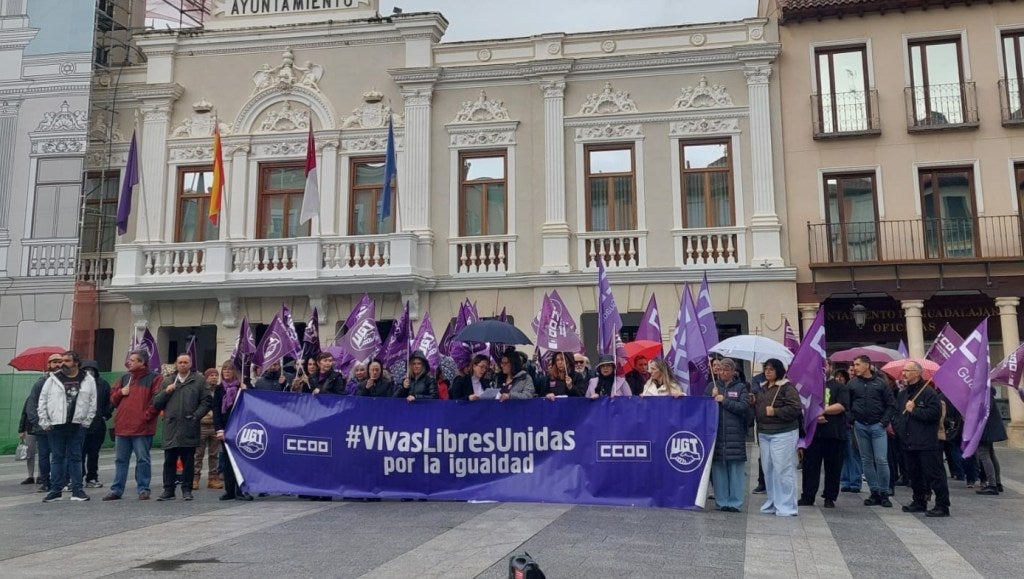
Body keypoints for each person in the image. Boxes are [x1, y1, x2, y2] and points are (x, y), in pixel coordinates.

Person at [37, 351, 98, 502]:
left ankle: (77, 490)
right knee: (57, 458)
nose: (62, 363)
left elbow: (92, 402)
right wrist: (44, 421)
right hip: (56, 424)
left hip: (77, 425)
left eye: (67, 360)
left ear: (76, 362)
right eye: (61, 360)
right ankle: (55, 491)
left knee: (76, 458)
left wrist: (86, 422)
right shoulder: (53, 379)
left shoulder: (87, 379)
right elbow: (43, 400)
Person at [103, 350, 163, 501]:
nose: (129, 362)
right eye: (129, 360)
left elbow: (157, 401)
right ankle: (116, 489)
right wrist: (120, 393)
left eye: (133, 360)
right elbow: (112, 400)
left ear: (142, 363)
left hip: (142, 428)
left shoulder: (155, 378)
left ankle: (143, 489)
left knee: (143, 459)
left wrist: (145, 417)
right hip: (123, 426)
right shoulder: (124, 378)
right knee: (120, 460)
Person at [152, 354, 213, 501]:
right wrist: (166, 391)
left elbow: (206, 401)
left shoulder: (198, 381)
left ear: (190, 364)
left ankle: (187, 489)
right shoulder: (168, 380)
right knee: (169, 461)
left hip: (189, 426)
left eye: (186, 362)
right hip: (171, 427)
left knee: (188, 461)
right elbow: (156, 403)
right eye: (180, 362)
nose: (183, 365)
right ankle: (168, 490)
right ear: (176, 364)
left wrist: (196, 416)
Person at [893, 362, 950, 517]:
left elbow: (934, 415)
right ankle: (919, 500)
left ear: (917, 373)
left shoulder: (929, 393)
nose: (903, 374)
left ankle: (942, 505)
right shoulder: (903, 394)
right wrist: (899, 428)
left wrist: (914, 410)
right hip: (908, 441)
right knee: (914, 474)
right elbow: (898, 414)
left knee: (934, 474)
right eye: (903, 371)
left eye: (907, 371)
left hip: (926, 442)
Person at [753, 358, 801, 517]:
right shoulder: (763, 388)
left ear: (778, 371)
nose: (767, 371)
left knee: (783, 469)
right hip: (764, 433)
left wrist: (777, 412)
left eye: (771, 369)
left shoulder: (787, 387)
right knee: (769, 470)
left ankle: (788, 506)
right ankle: (773, 502)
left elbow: (795, 409)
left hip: (783, 433)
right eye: (766, 368)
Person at [848, 355, 896, 508]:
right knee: (866, 460)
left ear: (867, 365)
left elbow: (891, 404)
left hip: (877, 426)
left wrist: (884, 422)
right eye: (853, 364)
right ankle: (874, 491)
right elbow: (847, 404)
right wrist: (852, 420)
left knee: (881, 459)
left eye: (857, 364)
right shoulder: (852, 384)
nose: (854, 367)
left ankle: (884, 492)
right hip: (860, 425)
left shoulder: (881, 383)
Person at [799, 366, 849, 508]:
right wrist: (814, 414)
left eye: (825, 365)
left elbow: (841, 405)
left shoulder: (839, 386)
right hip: (813, 434)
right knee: (810, 466)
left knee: (833, 467)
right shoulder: (810, 386)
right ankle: (808, 496)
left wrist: (821, 411)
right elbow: (803, 406)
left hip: (834, 433)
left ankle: (829, 497)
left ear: (831, 367)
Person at [705, 358, 750, 512]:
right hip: (716, 434)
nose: (722, 372)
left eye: (725, 369)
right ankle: (721, 501)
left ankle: (735, 502)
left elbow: (743, 407)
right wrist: (711, 398)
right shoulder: (712, 386)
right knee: (718, 470)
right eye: (720, 369)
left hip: (734, 434)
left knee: (735, 469)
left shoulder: (741, 388)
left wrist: (724, 401)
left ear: (733, 371)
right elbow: (703, 408)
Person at [22, 353, 65, 491]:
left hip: (60, 427)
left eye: (60, 362)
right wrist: (39, 423)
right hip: (43, 428)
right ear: (49, 365)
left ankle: (60, 481)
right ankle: (45, 482)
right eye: (54, 362)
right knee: (44, 456)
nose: (58, 364)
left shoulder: (68, 382)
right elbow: (31, 405)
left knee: (60, 455)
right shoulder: (40, 383)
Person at [213, 360, 250, 501]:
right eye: (225, 370)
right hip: (225, 428)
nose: (227, 372)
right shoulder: (219, 389)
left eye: (230, 369)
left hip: (240, 427)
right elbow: (216, 410)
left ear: (235, 372)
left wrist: (245, 390)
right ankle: (229, 490)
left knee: (241, 460)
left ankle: (241, 490)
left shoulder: (241, 387)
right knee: (228, 461)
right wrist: (219, 430)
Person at [80, 360, 112, 489]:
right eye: (86, 370)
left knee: (93, 454)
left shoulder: (103, 384)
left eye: (91, 370)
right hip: (80, 425)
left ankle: (92, 477)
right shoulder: (78, 383)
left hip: (97, 425)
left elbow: (109, 402)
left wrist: (105, 415)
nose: (89, 373)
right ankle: (76, 477)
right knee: (79, 453)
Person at [974, 385, 1007, 496]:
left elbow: (982, 413)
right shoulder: (988, 393)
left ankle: (992, 485)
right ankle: (997, 483)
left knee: (983, 454)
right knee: (991, 454)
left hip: (986, 429)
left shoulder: (984, 394)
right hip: (991, 428)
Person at [194, 368, 223, 490]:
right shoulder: (200, 390)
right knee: (198, 454)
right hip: (201, 425)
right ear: (206, 377)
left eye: (216, 375)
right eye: (211, 375)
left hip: (215, 427)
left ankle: (213, 478)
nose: (214, 377)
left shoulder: (220, 390)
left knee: (214, 454)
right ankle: (195, 478)